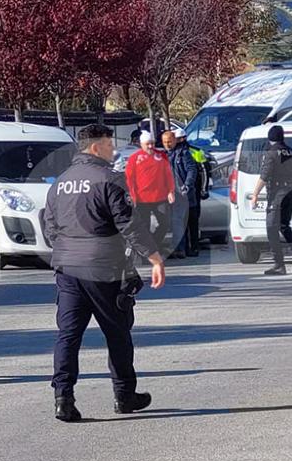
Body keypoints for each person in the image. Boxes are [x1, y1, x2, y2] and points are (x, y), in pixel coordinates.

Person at [41, 123, 166, 422]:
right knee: (118, 333)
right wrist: (154, 257)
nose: (113, 150)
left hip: (68, 270)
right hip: (104, 270)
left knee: (68, 335)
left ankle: (63, 398)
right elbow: (129, 224)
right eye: (110, 145)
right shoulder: (109, 180)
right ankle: (124, 395)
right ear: (96, 147)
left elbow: (50, 229)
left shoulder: (60, 183)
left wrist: (69, 252)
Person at [250, 124, 292, 275]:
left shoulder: (272, 153)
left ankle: (279, 264)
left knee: (271, 227)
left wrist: (255, 194)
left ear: (270, 139)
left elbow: (264, 176)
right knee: (284, 225)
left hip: (278, 194)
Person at [124, 131, 175, 253]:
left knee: (165, 223)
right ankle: (147, 250)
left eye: (152, 143)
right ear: (141, 144)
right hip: (142, 199)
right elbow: (129, 179)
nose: (150, 146)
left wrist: (171, 191)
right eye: (147, 144)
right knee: (144, 226)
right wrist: (132, 195)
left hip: (160, 197)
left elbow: (168, 175)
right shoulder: (134, 158)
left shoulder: (161, 156)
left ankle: (154, 244)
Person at [166, 129, 201, 259]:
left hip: (187, 193)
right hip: (176, 193)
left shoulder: (185, 153)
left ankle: (190, 248)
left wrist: (187, 185)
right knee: (180, 222)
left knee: (189, 222)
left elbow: (193, 170)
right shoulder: (169, 154)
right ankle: (183, 248)